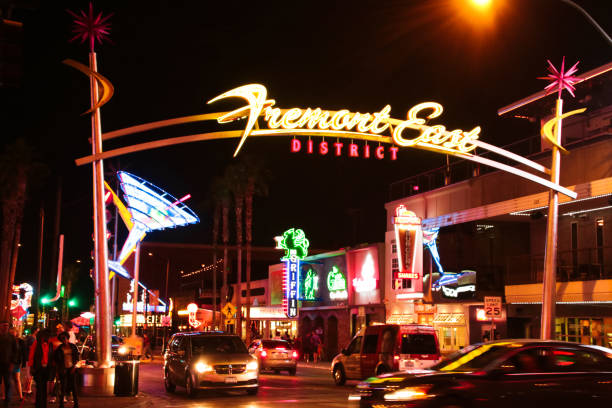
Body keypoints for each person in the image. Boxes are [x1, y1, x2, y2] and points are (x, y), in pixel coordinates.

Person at [29, 329, 53, 408]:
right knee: (39, 387)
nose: (47, 338)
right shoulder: (36, 343)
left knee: (44, 387)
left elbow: (50, 356)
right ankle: (39, 404)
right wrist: (31, 366)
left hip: (46, 368)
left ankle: (43, 404)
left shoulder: (50, 344)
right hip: (38, 368)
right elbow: (31, 355)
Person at [54, 333, 78, 408]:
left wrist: (74, 367)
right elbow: (57, 360)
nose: (64, 340)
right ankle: (61, 404)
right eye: (62, 339)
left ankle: (76, 403)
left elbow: (77, 357)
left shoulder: (73, 347)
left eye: (65, 338)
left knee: (74, 386)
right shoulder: (59, 348)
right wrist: (58, 371)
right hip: (63, 368)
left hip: (71, 368)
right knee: (63, 386)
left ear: (68, 338)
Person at [0, 322, 17, 407]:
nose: (5, 327)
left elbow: (15, 351)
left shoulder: (11, 338)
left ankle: (7, 400)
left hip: (7, 363)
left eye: (7, 326)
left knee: (7, 383)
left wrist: (13, 363)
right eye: (4, 325)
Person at [8, 328, 25, 401]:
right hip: (7, 362)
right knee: (7, 379)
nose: (12, 334)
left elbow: (22, 353)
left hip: (16, 362)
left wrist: (23, 362)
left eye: (13, 332)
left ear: (16, 333)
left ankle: (20, 396)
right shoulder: (7, 341)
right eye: (10, 333)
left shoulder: (20, 341)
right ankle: (6, 396)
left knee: (16, 379)